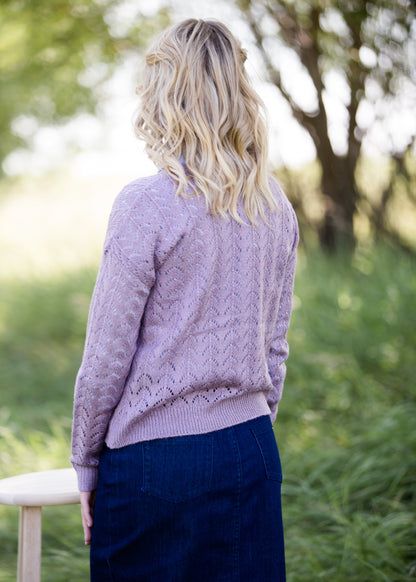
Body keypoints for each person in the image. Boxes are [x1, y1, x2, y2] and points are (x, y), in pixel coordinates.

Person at [71, 18, 298, 582]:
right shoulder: (276, 208)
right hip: (251, 448)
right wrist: (244, 425)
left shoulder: (145, 205)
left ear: (165, 93)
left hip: (157, 463)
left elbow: (106, 356)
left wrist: (85, 464)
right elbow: (275, 351)